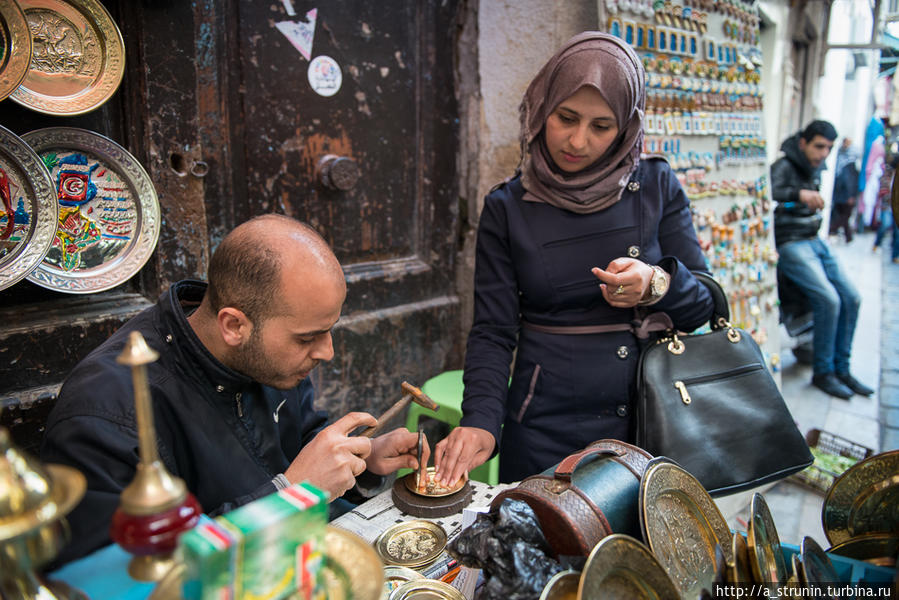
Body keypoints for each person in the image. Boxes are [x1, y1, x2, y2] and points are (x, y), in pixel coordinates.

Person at [40, 214, 429, 564]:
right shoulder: (108, 414)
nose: (326, 352)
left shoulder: (268, 354)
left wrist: (363, 460)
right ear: (234, 325)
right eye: (308, 337)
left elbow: (298, 444)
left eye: (328, 330)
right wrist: (290, 495)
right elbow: (127, 577)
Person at [433, 32, 715, 485]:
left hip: (646, 422)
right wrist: (482, 421)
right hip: (543, 423)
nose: (578, 141)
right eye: (565, 117)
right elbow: (493, 330)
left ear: (626, 127)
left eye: (601, 127)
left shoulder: (657, 187)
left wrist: (655, 283)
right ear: (542, 106)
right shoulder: (508, 207)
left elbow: (705, 307)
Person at [770, 120, 874, 400]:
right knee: (828, 299)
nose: (824, 154)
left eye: (829, 148)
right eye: (819, 146)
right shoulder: (784, 166)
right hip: (791, 242)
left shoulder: (815, 166)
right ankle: (824, 371)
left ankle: (842, 368)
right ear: (803, 142)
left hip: (814, 239)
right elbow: (767, 191)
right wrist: (797, 194)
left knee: (851, 297)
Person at [829, 138, 858, 243]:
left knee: (844, 217)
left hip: (847, 195)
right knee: (842, 216)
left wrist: (851, 195)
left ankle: (833, 229)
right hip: (839, 193)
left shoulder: (851, 162)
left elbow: (853, 180)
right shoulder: (839, 156)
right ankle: (848, 236)